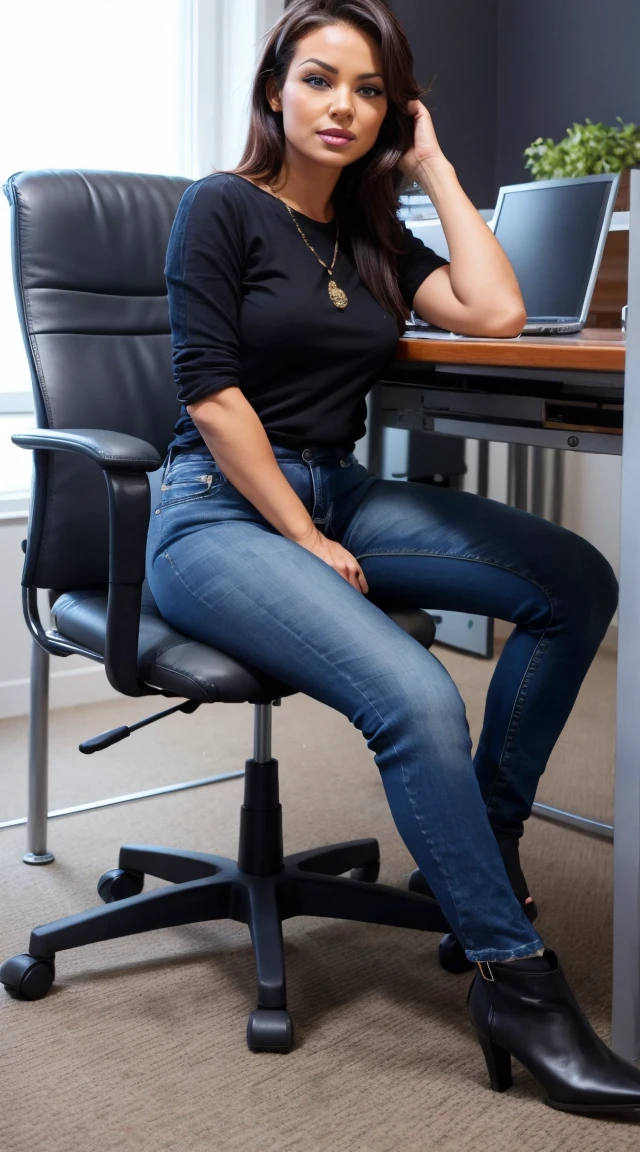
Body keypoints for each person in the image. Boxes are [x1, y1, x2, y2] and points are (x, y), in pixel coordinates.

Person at [146, 0, 640, 1115]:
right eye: (321, 80)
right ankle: (516, 987)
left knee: (573, 581)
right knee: (416, 694)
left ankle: (484, 840)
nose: (343, 108)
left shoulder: (369, 235)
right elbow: (212, 399)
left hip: (340, 487)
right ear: (275, 89)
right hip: (215, 510)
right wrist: (305, 536)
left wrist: (434, 161)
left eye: (370, 92)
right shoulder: (217, 208)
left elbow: (499, 310)